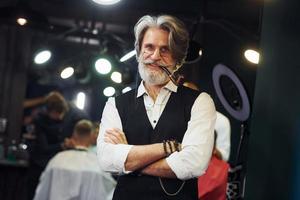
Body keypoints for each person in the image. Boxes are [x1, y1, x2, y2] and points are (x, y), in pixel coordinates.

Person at [97, 15, 216, 200]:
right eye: (149, 47)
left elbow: (194, 163)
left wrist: (129, 157)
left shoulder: (200, 101)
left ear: (177, 58)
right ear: (138, 52)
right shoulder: (116, 104)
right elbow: (106, 160)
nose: (155, 57)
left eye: (165, 50)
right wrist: (167, 148)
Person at [27, 91, 89, 200]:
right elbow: (43, 147)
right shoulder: (40, 119)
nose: (60, 117)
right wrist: (62, 145)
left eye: (62, 113)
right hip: (40, 163)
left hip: (64, 164)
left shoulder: (77, 116)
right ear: (48, 111)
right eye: (57, 114)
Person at [34, 120, 116, 200]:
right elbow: (108, 192)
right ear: (92, 136)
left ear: (74, 135)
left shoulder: (57, 160)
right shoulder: (98, 166)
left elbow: (43, 191)